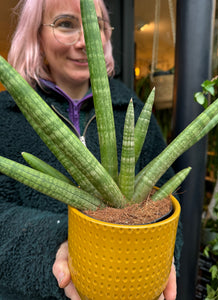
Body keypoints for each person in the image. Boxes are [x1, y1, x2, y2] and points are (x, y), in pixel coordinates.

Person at [0, 0, 182, 299]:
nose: (85, 42)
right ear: (37, 37)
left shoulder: (130, 108)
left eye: (95, 26)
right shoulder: (6, 116)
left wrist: (161, 254)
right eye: (66, 24)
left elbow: (166, 194)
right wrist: (55, 244)